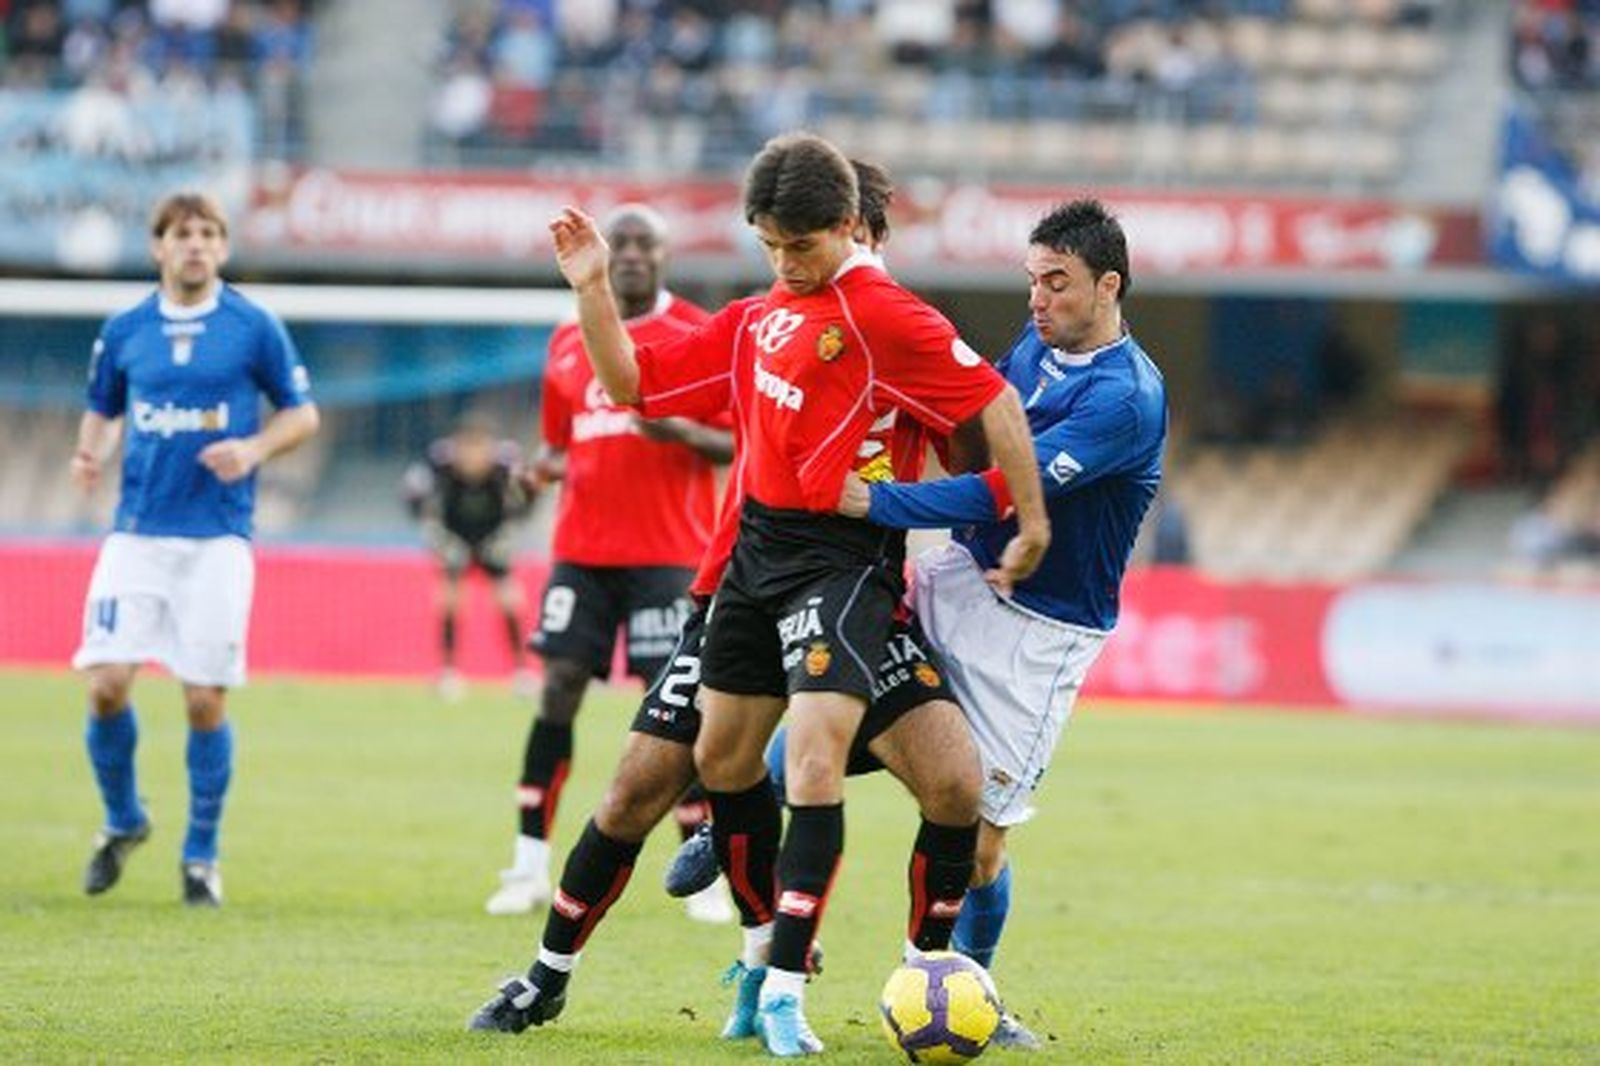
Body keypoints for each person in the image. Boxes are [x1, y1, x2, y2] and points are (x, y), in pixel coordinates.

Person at [541, 133, 1048, 1057]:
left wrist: (989, 510)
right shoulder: (764, 315)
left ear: (854, 228)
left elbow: (984, 428)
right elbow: (635, 384)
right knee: (684, 775)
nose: (785, 263)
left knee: (946, 784)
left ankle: (911, 977)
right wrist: (590, 289)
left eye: (800, 246)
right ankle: (742, 960)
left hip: (851, 574)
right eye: (771, 245)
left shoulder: (889, 319)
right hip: (742, 577)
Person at [841, 199, 1168, 1046]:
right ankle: (735, 802)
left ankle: (969, 987)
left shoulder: (1125, 399)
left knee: (980, 843)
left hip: (1039, 631)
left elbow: (1004, 492)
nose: (1037, 299)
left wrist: (879, 501)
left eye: (1056, 283)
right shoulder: (1033, 347)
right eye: (1031, 280)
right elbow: (972, 419)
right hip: (958, 574)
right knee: (826, 700)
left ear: (1109, 285)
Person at [69, 190, 320, 908]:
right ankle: (123, 821)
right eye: (183, 234)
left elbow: (303, 414)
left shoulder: (252, 326)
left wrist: (255, 446)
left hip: (217, 540)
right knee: (106, 683)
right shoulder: (125, 331)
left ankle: (201, 855)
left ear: (223, 246)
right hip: (137, 534)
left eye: (209, 233)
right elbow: (104, 409)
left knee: (204, 699)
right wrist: (89, 455)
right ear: (158, 247)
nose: (196, 245)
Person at [484, 203, 736, 917]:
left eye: (641, 243)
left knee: (676, 706)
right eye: (617, 242)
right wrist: (540, 470)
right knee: (558, 688)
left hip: (668, 554)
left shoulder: (696, 332)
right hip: (582, 552)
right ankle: (528, 863)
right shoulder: (569, 341)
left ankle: (700, 870)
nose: (627, 253)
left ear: (662, 255)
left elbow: (737, 440)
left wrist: (679, 432)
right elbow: (562, 443)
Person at [402, 411, 535, 701]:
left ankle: (522, 671)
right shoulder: (439, 464)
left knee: (509, 600)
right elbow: (412, 497)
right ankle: (448, 671)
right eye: (467, 447)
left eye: (479, 447)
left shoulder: (506, 465)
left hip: (492, 539)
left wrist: (509, 536)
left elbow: (529, 496)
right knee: (448, 600)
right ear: (457, 446)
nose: (473, 456)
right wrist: (437, 538)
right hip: (455, 538)